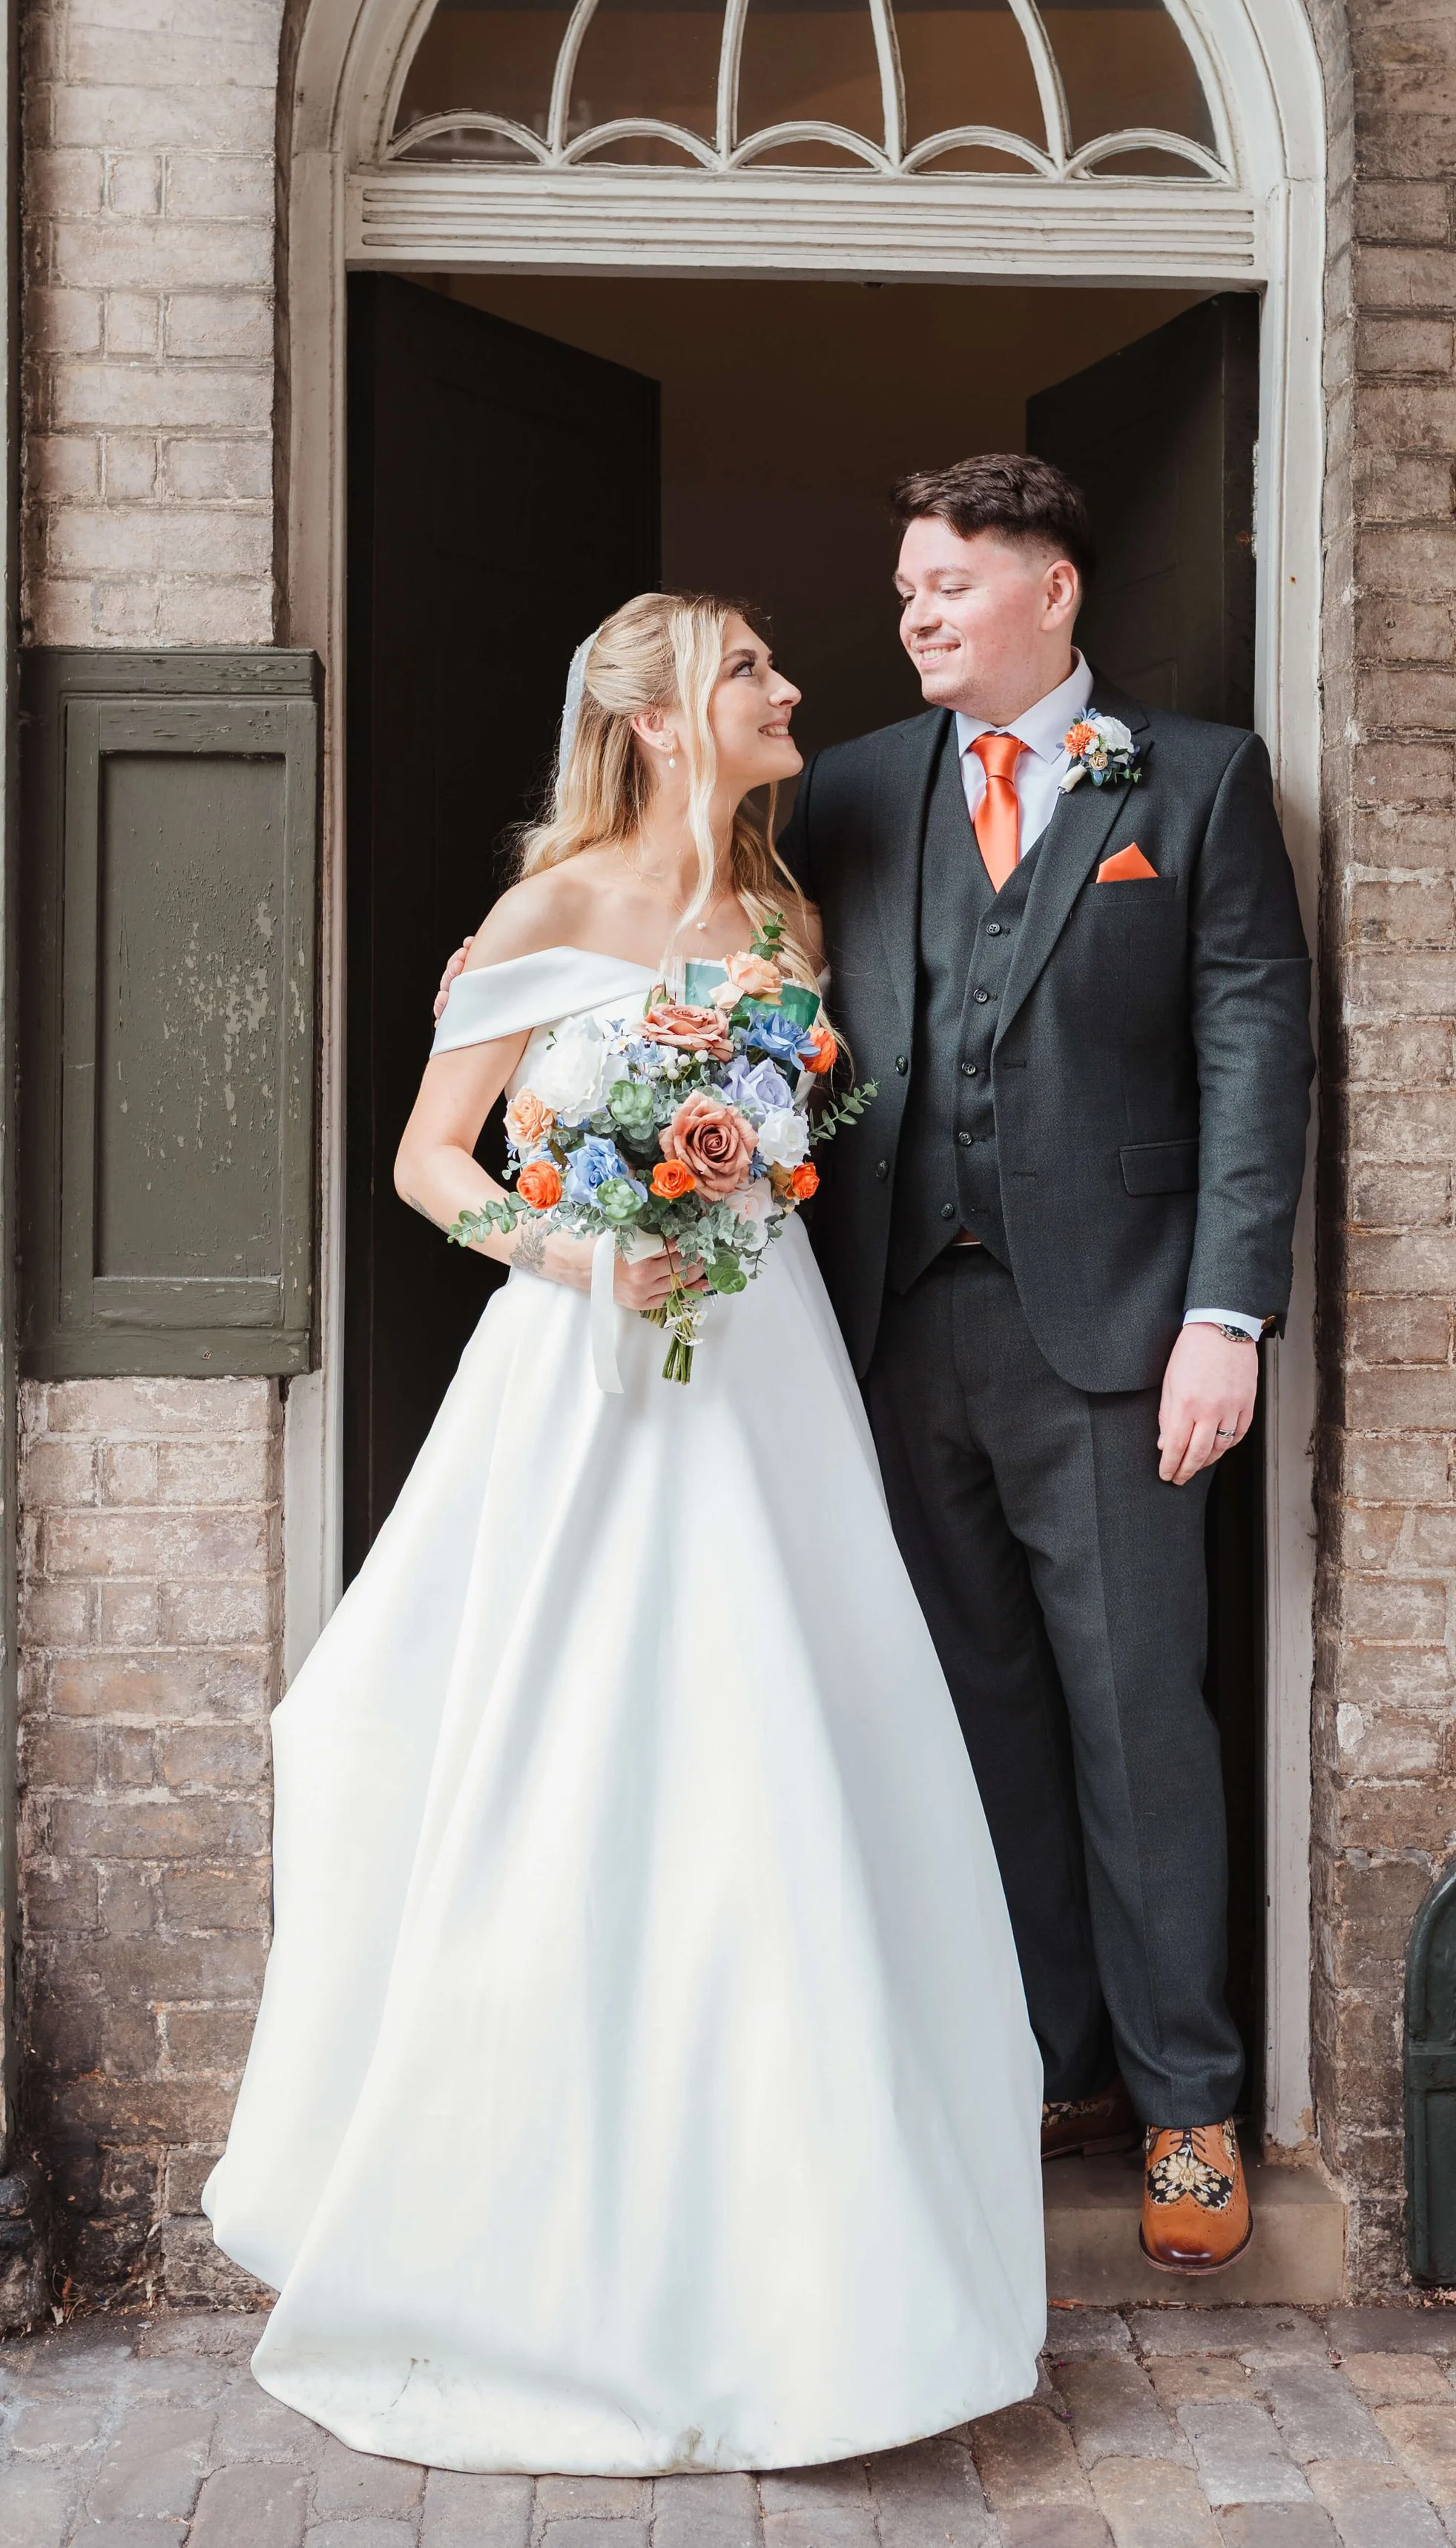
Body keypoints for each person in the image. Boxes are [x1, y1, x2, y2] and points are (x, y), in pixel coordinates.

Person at [202, 593, 1044, 2475]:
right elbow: (429, 1160)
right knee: (567, 1751)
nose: (786, 688)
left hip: (765, 1378)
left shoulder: (782, 921)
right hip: (586, 1378)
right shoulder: (545, 911)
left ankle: (809, 2270)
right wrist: (580, 1248)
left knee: (775, 1763)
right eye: (748, 669)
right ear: (660, 718)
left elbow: (801, 1146)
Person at [780, 455, 1314, 2271]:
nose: (914, 616)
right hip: (890, 1325)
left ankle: (1188, 2107)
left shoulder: (1196, 780)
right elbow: (717, 935)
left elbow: (1254, 1057)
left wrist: (1223, 1317)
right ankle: (1052, 2063)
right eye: (905, 591)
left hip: (1113, 1340)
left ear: (1051, 588)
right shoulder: (855, 786)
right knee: (977, 1718)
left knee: (1135, 1722)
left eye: (946, 583)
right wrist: (532, 954)